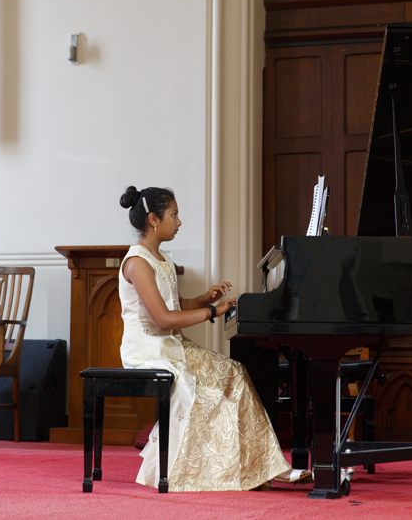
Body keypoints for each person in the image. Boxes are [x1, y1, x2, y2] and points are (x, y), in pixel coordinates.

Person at [118, 186, 310, 491]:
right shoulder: (138, 263)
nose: (179, 222)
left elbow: (176, 305)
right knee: (222, 380)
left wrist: (205, 298)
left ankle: (261, 467)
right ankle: (236, 470)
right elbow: (163, 319)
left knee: (234, 372)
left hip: (170, 345)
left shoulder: (161, 258)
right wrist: (212, 311)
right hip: (149, 349)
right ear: (154, 219)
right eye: (174, 215)